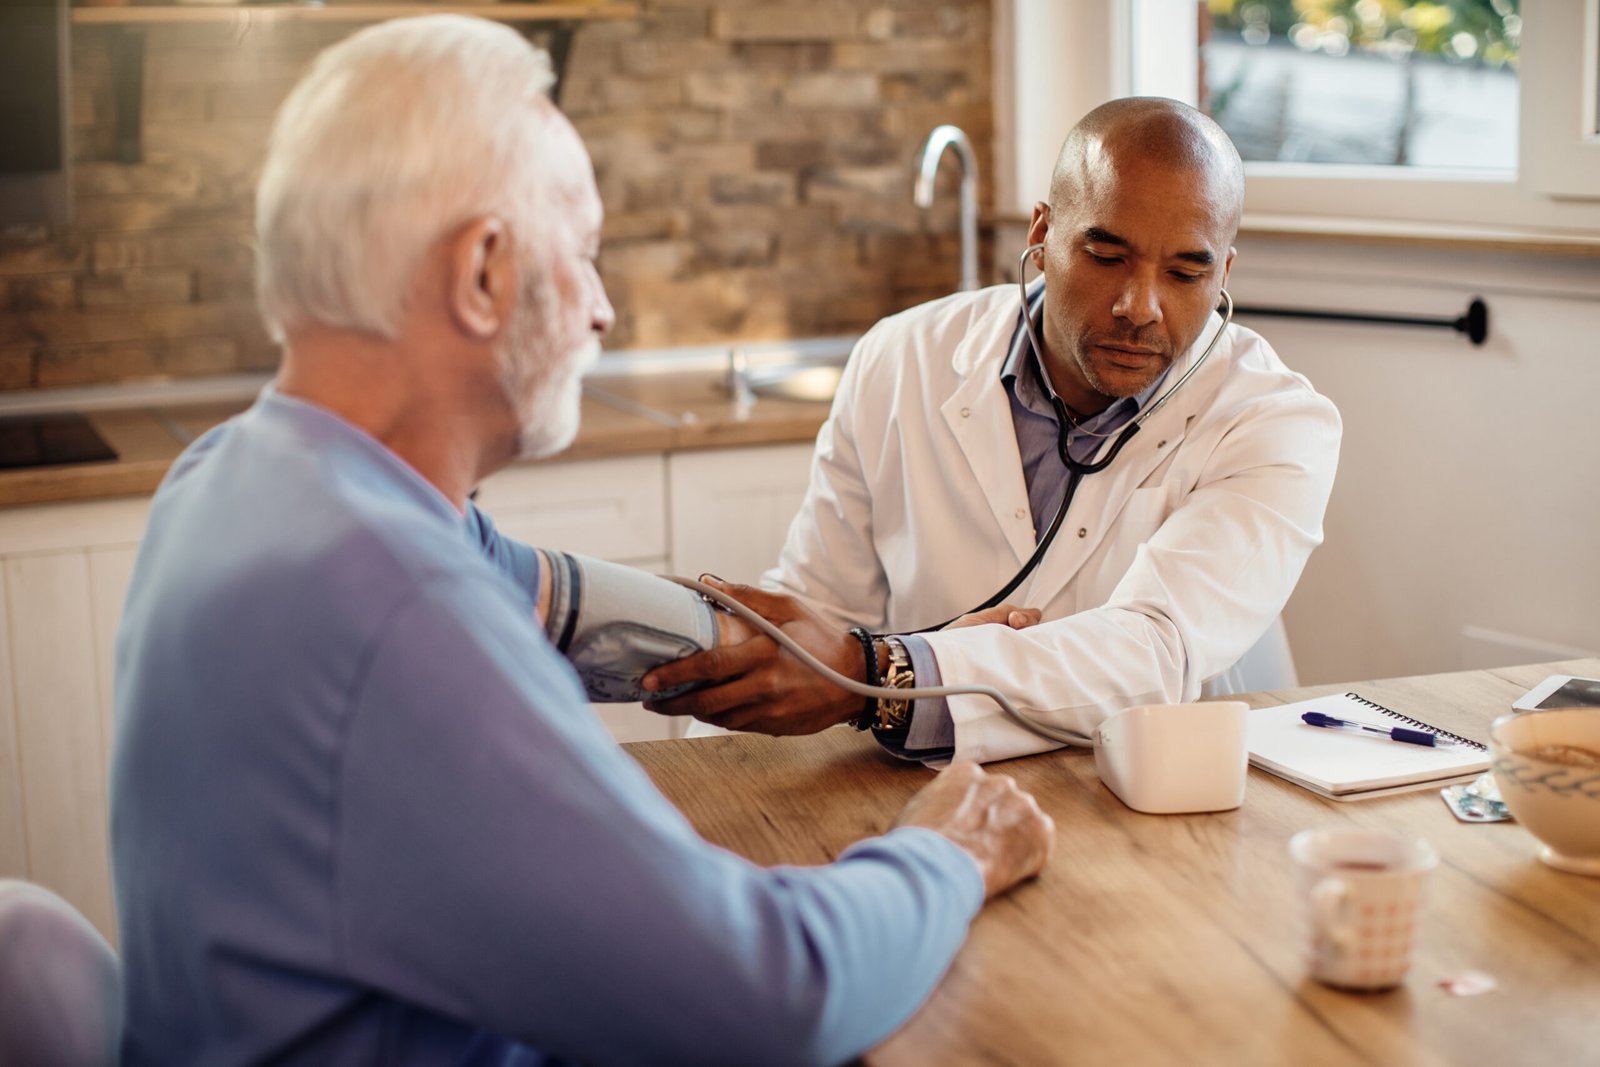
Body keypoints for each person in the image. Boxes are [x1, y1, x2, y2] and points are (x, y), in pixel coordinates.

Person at [108, 17, 1054, 1066]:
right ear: (482, 271)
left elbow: (546, 600)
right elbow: (774, 994)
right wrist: (946, 850)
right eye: (588, 254)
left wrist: (889, 660)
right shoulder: (396, 613)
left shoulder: (240, 475)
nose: (602, 309)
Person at [644, 98, 1342, 765]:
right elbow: (823, 607)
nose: (1140, 307)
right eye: (1105, 256)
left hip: (1167, 789)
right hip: (931, 778)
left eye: (1186, 272)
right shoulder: (901, 356)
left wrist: (889, 671)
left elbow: (1153, 651)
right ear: (1040, 236)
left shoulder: (1275, 421)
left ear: (1223, 273)